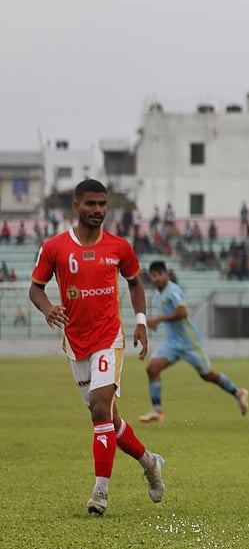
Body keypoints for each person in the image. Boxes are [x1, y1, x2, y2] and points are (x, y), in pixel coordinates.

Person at [28, 179, 166, 516]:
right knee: (108, 420)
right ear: (76, 205)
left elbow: (135, 282)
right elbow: (36, 288)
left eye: (102, 204)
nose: (97, 210)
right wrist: (48, 309)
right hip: (76, 343)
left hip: (109, 338)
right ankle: (149, 462)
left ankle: (100, 495)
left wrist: (141, 322)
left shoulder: (119, 247)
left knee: (100, 406)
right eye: (91, 204)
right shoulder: (54, 248)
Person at [139, 261, 249, 422]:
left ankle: (238, 393)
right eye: (153, 276)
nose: (156, 279)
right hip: (172, 342)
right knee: (152, 369)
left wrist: (158, 319)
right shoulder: (157, 294)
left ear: (166, 274)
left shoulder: (173, 291)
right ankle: (157, 410)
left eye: (159, 275)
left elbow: (183, 312)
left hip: (188, 342)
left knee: (208, 375)